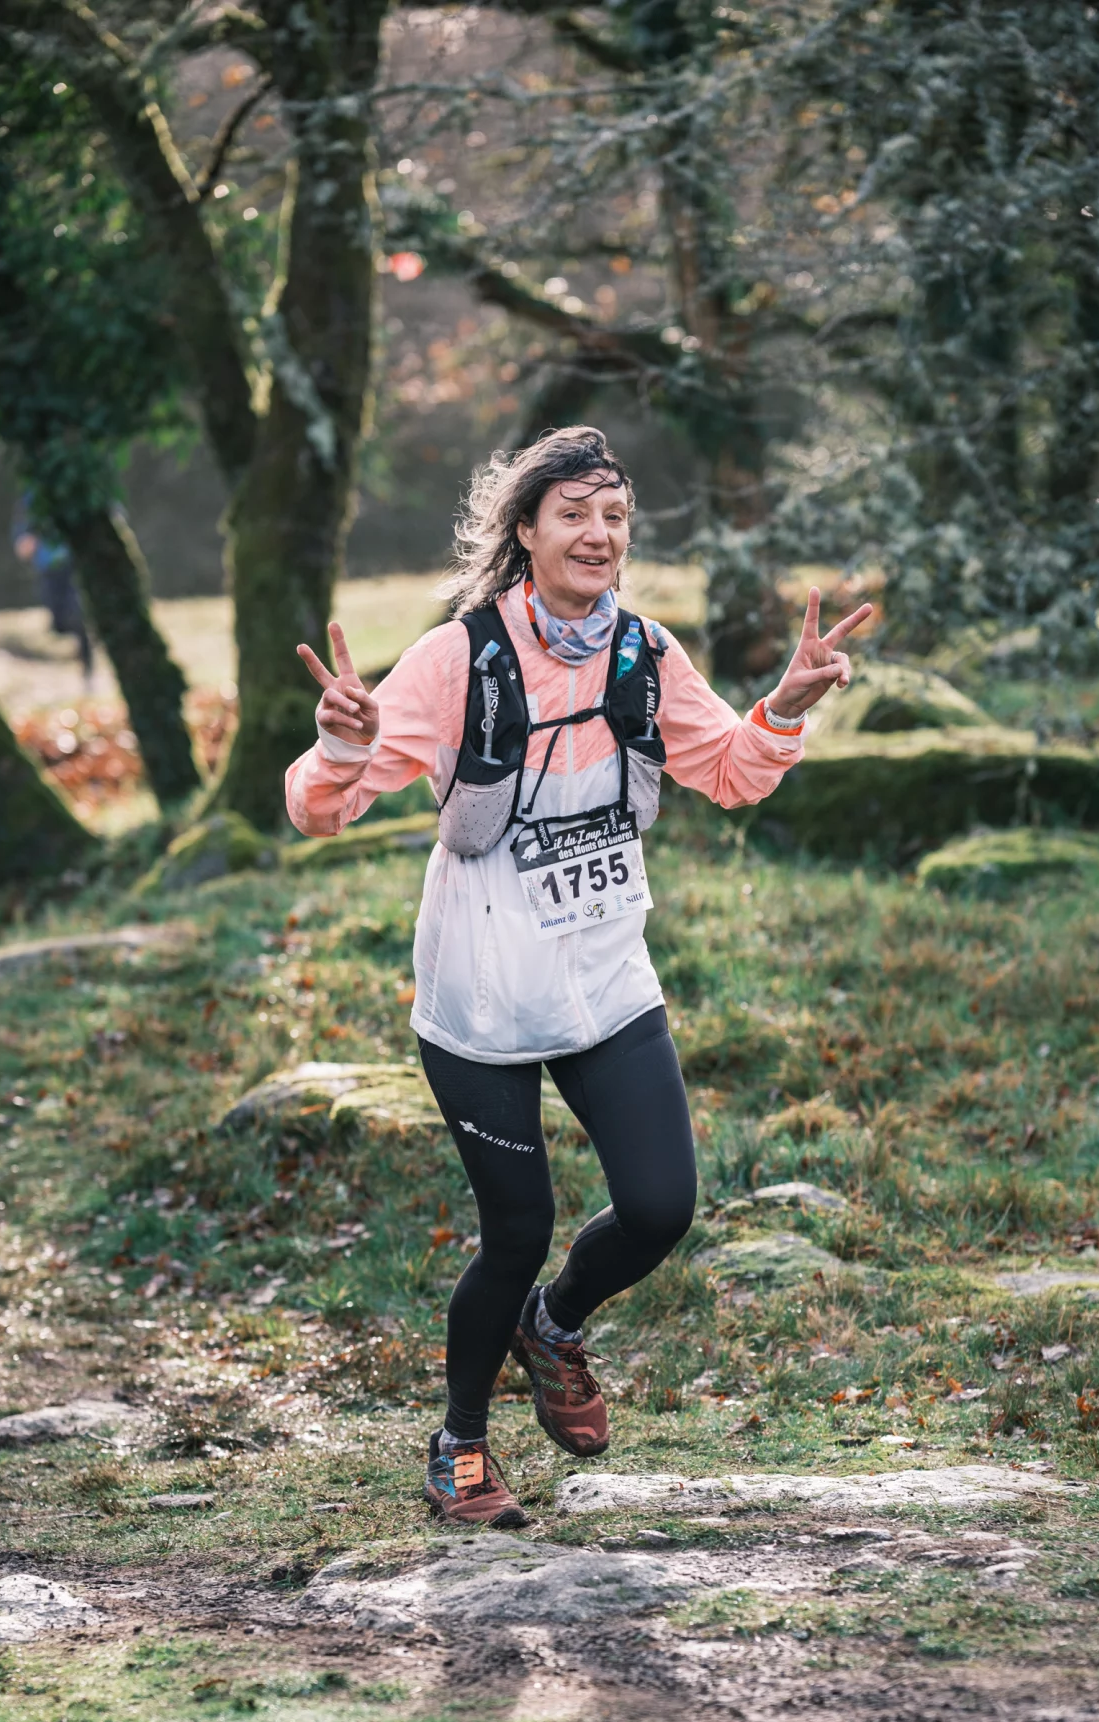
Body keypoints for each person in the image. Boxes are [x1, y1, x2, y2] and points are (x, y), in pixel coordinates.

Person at [286, 426, 871, 1528]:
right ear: (525, 530)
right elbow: (322, 811)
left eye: (615, 517)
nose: (599, 535)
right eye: (574, 515)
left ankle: (553, 1326)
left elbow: (730, 773)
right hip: (483, 998)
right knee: (516, 1230)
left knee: (660, 1207)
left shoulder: (644, 654)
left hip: (605, 981)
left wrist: (786, 706)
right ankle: (460, 1446)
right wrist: (341, 746)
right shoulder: (456, 662)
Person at [12, 498, 92, 679]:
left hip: (72, 562)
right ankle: (83, 649)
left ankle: (87, 664)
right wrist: (23, 540)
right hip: (47, 565)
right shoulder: (31, 495)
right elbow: (21, 529)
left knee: (76, 612)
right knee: (59, 622)